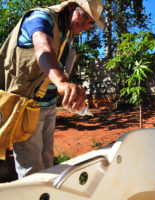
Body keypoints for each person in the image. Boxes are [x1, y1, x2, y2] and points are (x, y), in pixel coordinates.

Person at [0, 0, 104, 179]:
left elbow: (57, 63)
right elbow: (43, 50)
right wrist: (62, 82)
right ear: (71, 6)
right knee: (32, 169)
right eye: (85, 15)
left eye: (91, 22)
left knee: (47, 158)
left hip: (47, 106)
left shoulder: (67, 31)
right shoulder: (41, 18)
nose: (86, 24)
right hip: (26, 105)